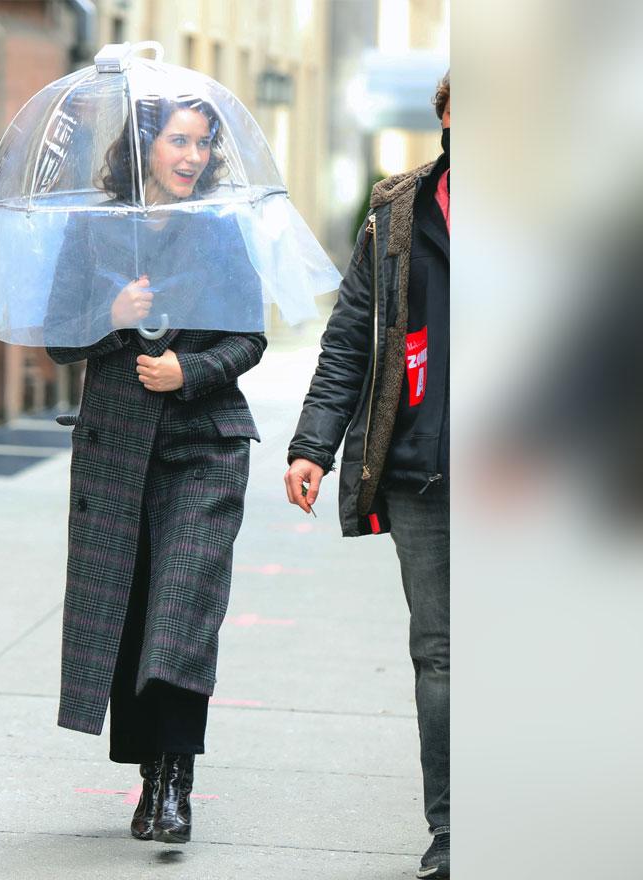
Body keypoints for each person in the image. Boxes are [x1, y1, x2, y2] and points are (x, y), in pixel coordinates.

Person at [44, 95, 267, 845]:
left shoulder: (221, 231)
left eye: (203, 144)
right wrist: (107, 315)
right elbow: (56, 341)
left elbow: (249, 341)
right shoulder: (94, 231)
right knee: (133, 612)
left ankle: (176, 783)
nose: (193, 156)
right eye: (178, 140)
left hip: (203, 444)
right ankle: (149, 771)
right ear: (144, 147)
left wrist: (191, 371)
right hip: (116, 450)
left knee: (181, 612)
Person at [283, 72, 450, 878]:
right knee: (442, 652)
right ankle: (453, 832)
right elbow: (351, 338)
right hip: (424, 469)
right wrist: (314, 444)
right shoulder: (396, 216)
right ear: (446, 115)